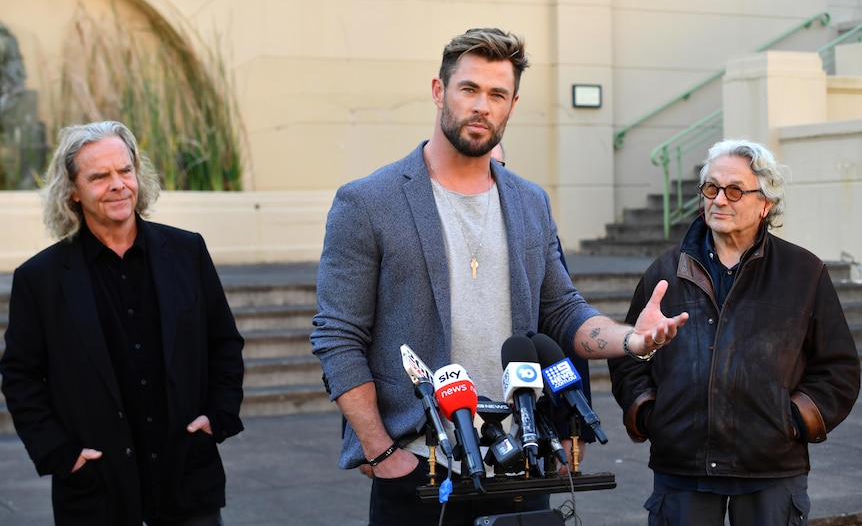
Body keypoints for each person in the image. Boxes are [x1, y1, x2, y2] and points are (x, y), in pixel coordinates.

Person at [310, 27, 688, 526]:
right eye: (469, 89)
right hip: (422, 468)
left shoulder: (530, 202)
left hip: (521, 461)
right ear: (438, 91)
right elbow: (338, 336)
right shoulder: (369, 202)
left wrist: (635, 339)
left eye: (497, 94)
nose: (482, 106)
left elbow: (561, 310)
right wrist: (380, 452)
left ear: (511, 105)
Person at [0, 120, 245, 526]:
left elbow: (223, 343)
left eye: (124, 170)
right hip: (97, 489)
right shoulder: (38, 279)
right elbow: (21, 376)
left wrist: (217, 417)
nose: (117, 184)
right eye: (99, 176)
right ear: (73, 192)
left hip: (186, 475)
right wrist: (60, 453)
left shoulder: (187, 251)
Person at [608, 139, 860, 526]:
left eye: (734, 190)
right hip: (682, 467)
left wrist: (792, 420)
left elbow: (839, 368)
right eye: (711, 188)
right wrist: (648, 413)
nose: (719, 200)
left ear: (765, 204)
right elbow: (630, 355)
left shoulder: (804, 272)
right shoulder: (665, 272)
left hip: (770, 467)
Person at [490, 141, 596, 461]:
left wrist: (574, 429)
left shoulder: (532, 221)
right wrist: (367, 437)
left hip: (531, 432)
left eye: (496, 166)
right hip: (435, 439)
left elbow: (561, 318)